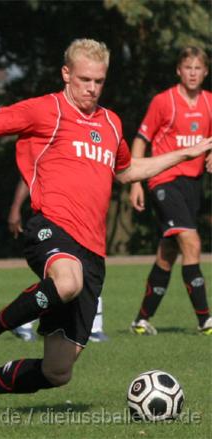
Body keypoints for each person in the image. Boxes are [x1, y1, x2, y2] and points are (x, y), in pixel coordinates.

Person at [0, 39, 212, 415]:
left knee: (57, 371)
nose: (92, 88)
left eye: (99, 81)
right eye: (84, 79)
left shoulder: (111, 122)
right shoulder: (44, 110)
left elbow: (128, 171)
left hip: (93, 251)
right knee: (67, 281)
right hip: (50, 226)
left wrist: (187, 152)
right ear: (66, 74)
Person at [129, 46, 212, 336]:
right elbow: (140, 140)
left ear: (205, 72)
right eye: (187, 67)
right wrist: (136, 181)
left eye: (198, 68)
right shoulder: (163, 101)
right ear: (179, 70)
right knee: (191, 242)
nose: (192, 73)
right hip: (163, 180)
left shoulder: (210, 102)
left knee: (168, 253)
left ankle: (141, 320)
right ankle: (206, 321)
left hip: (193, 185)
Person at [8, 180, 109, 343]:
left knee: (83, 272)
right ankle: (21, 320)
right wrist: (15, 207)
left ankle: (93, 328)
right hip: (54, 221)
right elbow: (27, 176)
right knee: (65, 279)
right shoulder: (49, 164)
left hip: (84, 220)